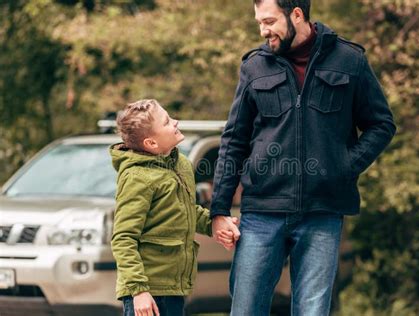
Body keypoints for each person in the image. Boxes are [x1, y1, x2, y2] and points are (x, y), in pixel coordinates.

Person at [210, 0, 396, 315]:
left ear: (297, 14)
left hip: (322, 212)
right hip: (260, 213)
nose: (262, 30)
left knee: (313, 311)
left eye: (269, 21)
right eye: (259, 22)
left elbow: (381, 124)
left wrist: (345, 167)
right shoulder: (254, 66)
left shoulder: (349, 60)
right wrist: (219, 208)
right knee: (244, 310)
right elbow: (234, 139)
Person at [109, 99, 228, 316]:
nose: (175, 122)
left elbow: (185, 211)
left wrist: (214, 224)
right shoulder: (136, 177)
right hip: (147, 293)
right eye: (166, 122)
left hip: (173, 287)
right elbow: (123, 238)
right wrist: (138, 291)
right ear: (151, 143)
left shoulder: (180, 164)